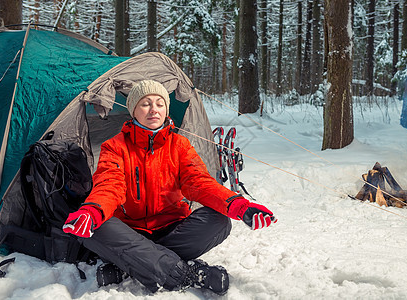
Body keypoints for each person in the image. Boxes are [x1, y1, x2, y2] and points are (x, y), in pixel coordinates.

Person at [62, 80, 277, 295]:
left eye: (159, 103)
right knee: (94, 229)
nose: (154, 109)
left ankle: (134, 264)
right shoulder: (115, 147)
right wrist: (92, 211)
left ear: (166, 109)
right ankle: (187, 274)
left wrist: (240, 206)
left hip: (171, 228)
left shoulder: (179, 145)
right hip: (129, 232)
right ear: (134, 110)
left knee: (220, 221)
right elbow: (110, 185)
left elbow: (199, 182)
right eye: (145, 104)